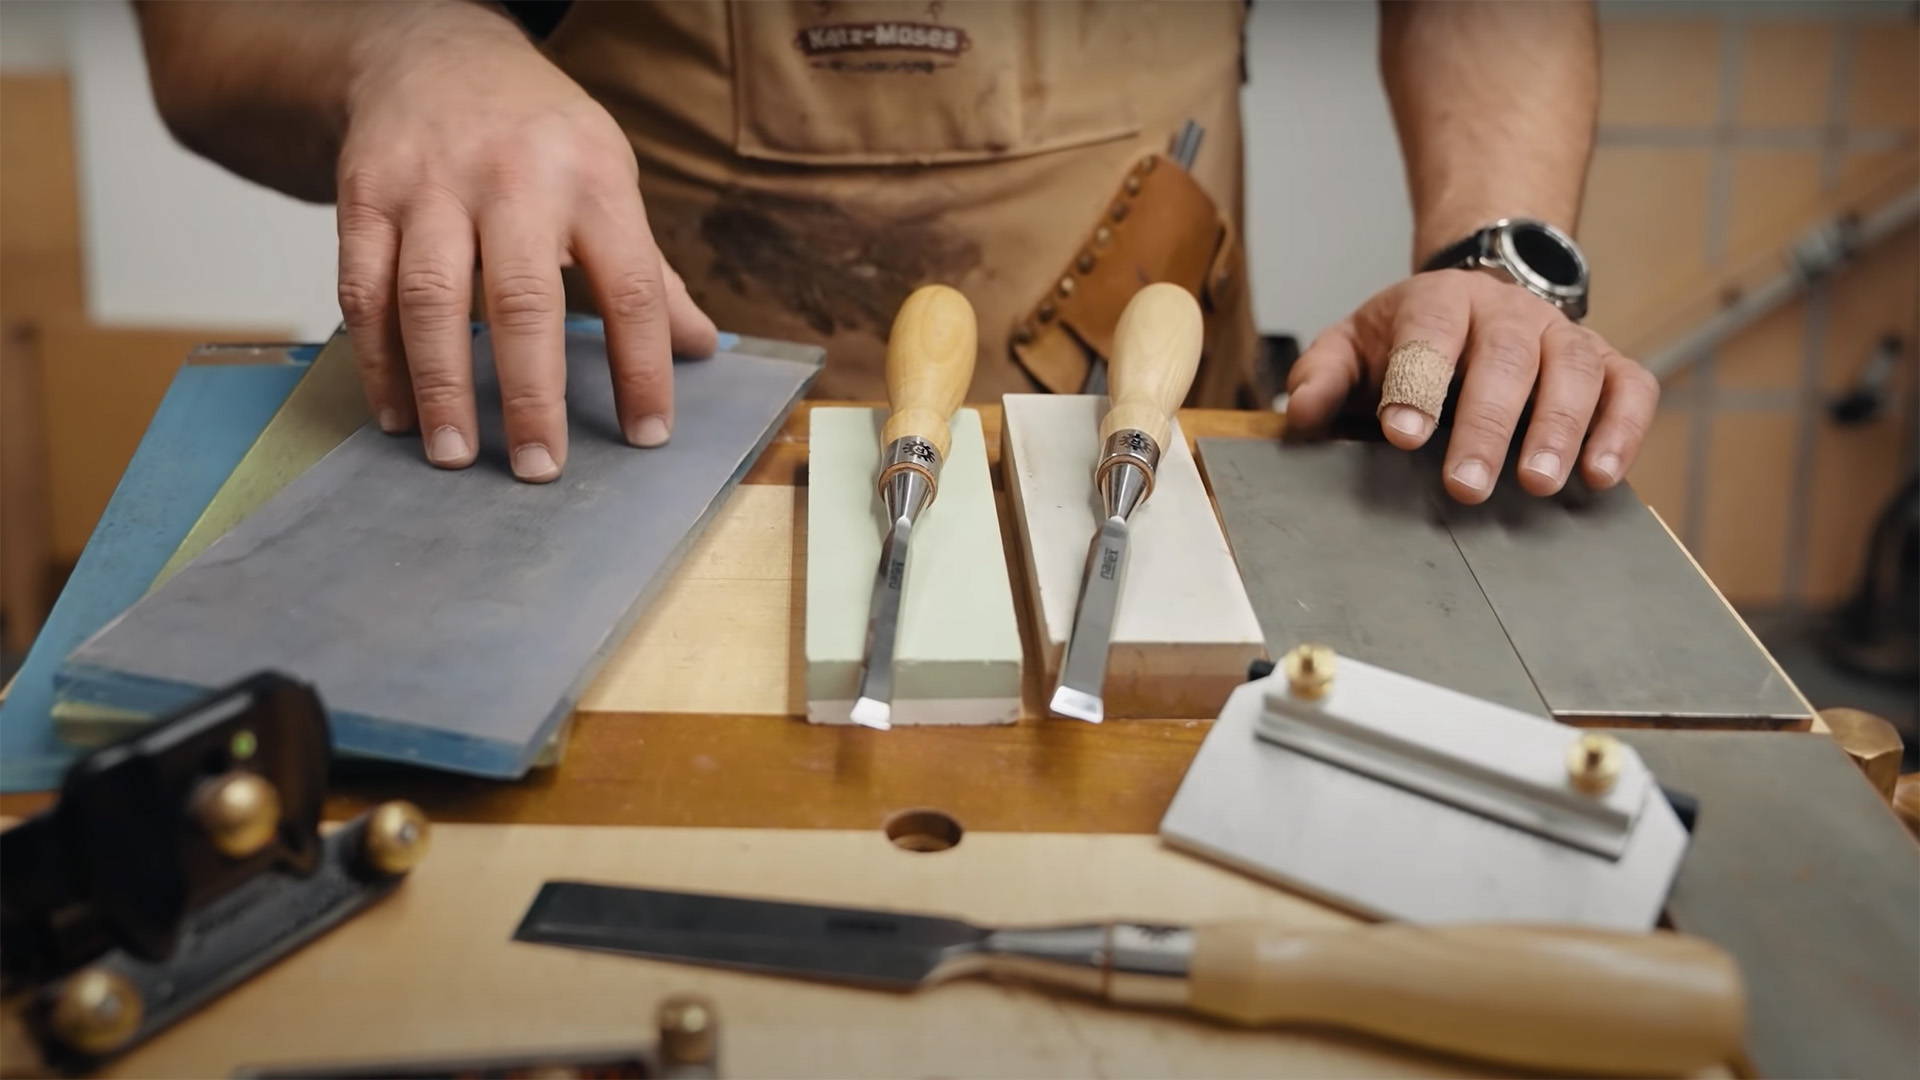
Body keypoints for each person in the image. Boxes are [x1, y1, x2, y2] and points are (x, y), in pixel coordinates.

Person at [137, 0, 1656, 503]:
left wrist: (1493, 256)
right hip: (612, 453)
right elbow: (202, 35)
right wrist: (402, 41)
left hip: (1153, 424)